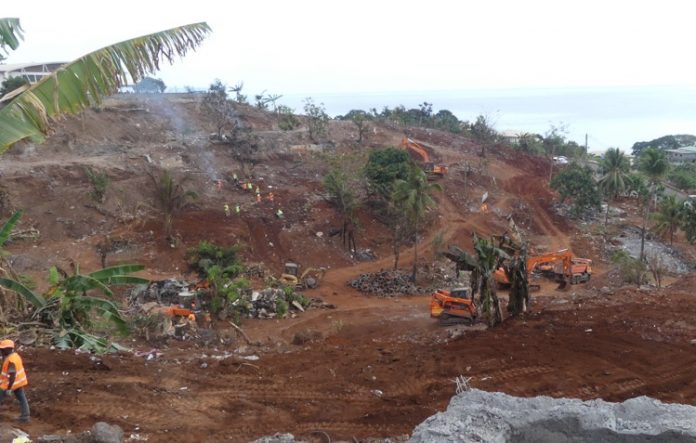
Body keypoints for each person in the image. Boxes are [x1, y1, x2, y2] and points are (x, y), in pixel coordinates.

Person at [0, 340, 30, 422]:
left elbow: (12, 375)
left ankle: (25, 417)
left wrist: (9, 388)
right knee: (22, 398)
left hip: (9, 384)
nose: (1, 351)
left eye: (3, 349)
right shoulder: (15, 356)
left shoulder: (11, 361)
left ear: (9, 349)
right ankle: (25, 417)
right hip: (18, 382)